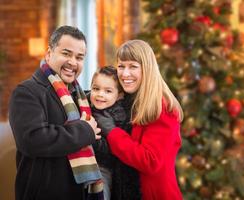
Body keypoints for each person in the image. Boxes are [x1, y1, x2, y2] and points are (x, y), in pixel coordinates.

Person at [9, 25, 102, 200]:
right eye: (66, 54)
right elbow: (32, 140)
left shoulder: (82, 97)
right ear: (49, 53)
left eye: (79, 57)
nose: (73, 62)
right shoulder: (26, 91)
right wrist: (85, 131)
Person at [97, 39, 184, 200]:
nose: (125, 73)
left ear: (147, 69)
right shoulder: (129, 101)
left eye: (133, 66)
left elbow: (150, 161)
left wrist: (112, 132)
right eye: (121, 66)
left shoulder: (162, 107)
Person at [89, 66, 141, 200]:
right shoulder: (87, 106)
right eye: (96, 89)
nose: (100, 94)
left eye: (108, 91)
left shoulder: (119, 116)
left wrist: (90, 138)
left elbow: (112, 151)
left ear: (119, 96)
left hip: (104, 167)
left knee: (101, 192)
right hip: (86, 163)